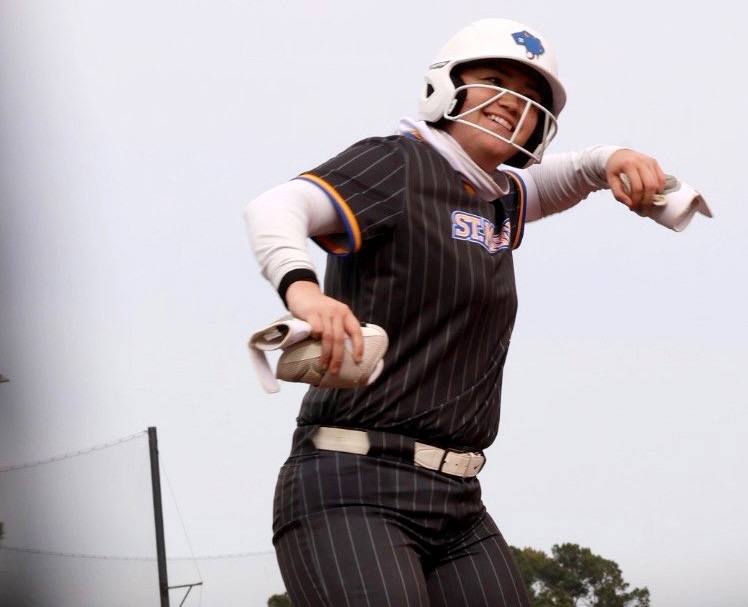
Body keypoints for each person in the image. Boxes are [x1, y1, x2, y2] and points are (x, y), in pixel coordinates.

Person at [244, 17, 675, 607]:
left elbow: (567, 176)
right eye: (495, 80)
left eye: (530, 99)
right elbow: (276, 206)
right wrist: (304, 292)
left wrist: (611, 160)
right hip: (351, 486)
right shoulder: (398, 163)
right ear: (447, 87)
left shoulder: (498, 199)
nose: (512, 104)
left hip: (457, 501)